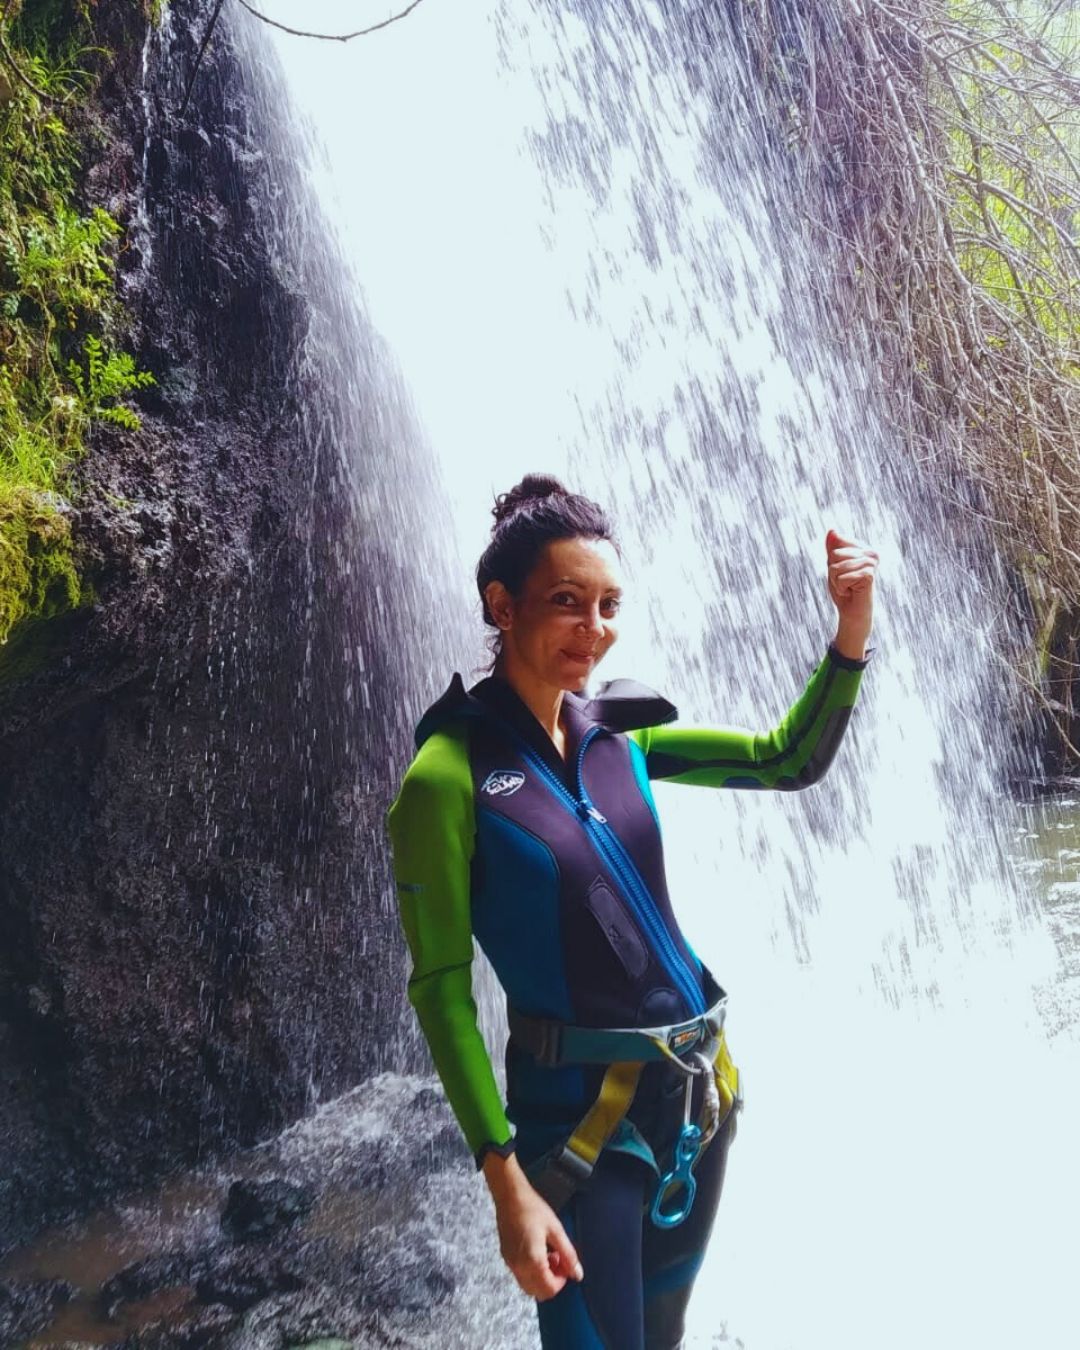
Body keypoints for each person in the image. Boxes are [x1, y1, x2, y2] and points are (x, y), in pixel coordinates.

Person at [385, 473, 878, 1349]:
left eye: (610, 604)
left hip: (695, 1099)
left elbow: (785, 760)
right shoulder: (445, 779)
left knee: (663, 1332)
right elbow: (441, 990)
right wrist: (507, 1183)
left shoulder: (623, 734)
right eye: (567, 603)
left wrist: (850, 633)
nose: (595, 630)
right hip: (577, 1129)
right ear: (502, 605)